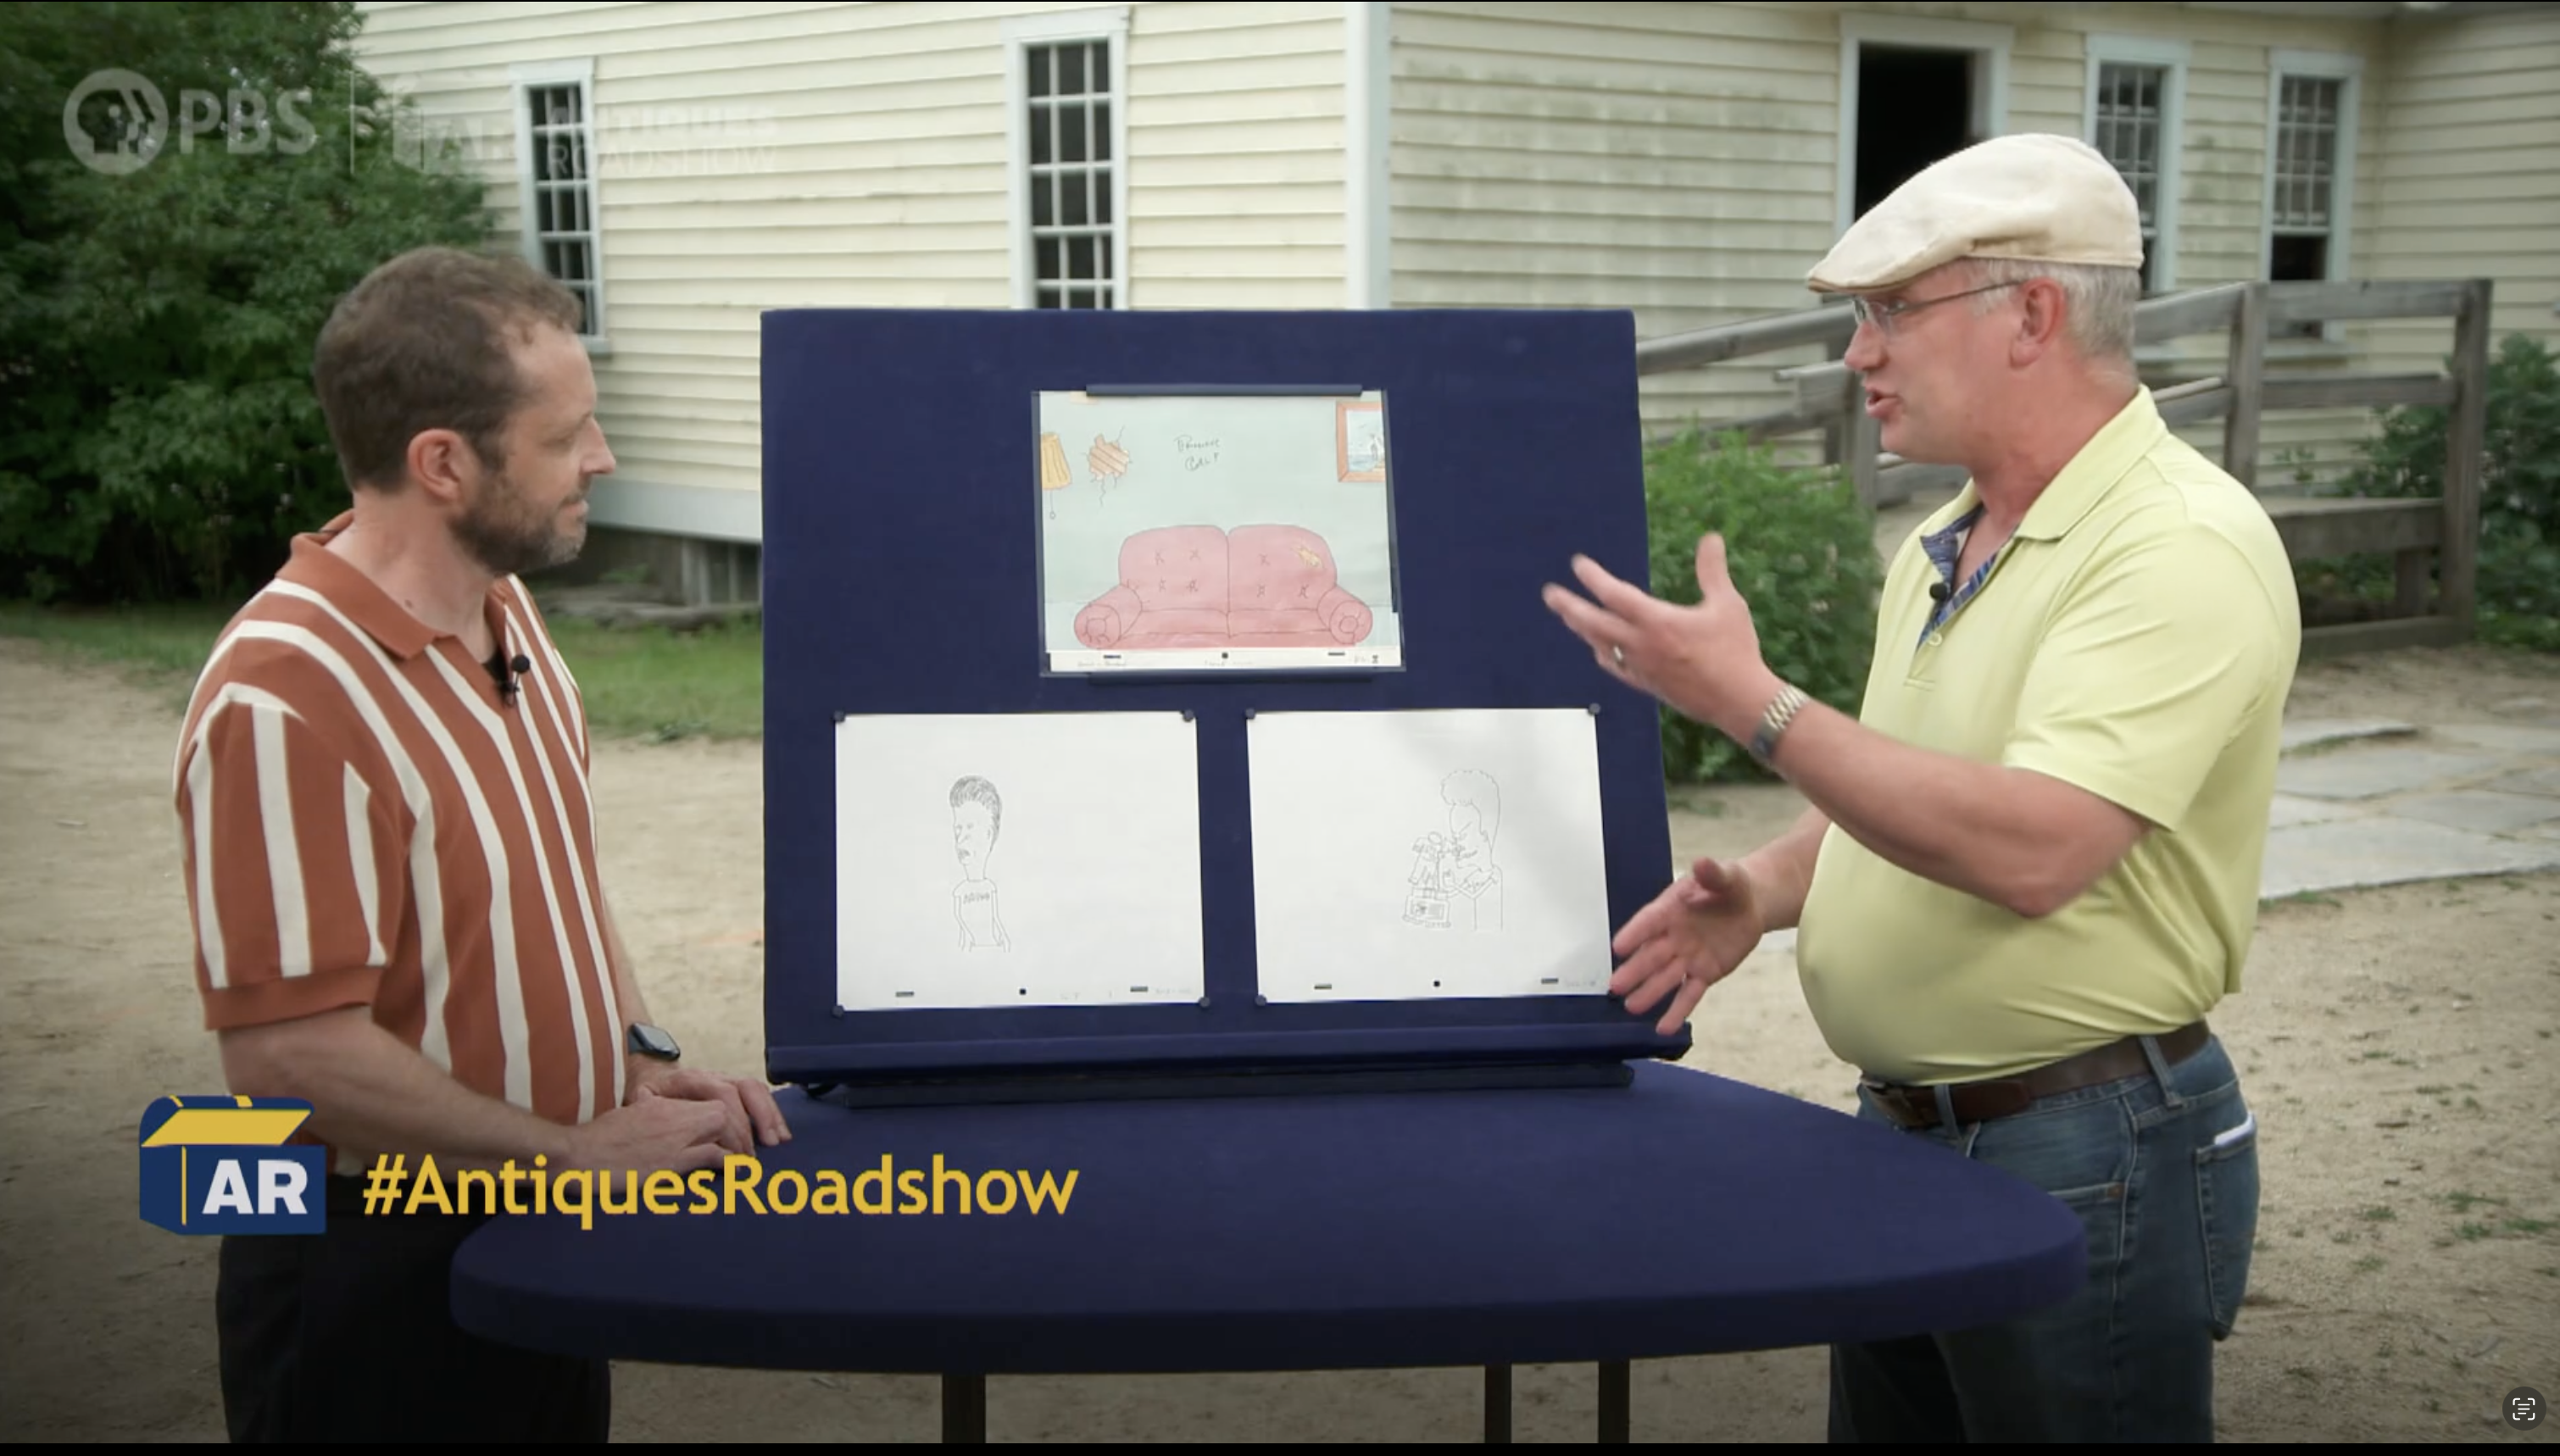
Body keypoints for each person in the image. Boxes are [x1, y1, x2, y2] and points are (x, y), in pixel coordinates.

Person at [1542, 132, 2299, 1442]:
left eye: (1892, 311)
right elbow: (1899, 789)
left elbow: (2038, 847)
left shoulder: (2179, 545)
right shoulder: (1947, 542)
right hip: (1905, 1135)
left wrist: (1752, 704)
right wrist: (1770, 888)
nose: (1859, 354)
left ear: (2036, 315)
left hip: (2086, 1147)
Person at [170, 246, 792, 1443]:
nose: (601, 461)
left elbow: (552, 877)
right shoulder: (285, 694)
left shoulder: (504, 609)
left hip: (538, 1211)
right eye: (567, 438)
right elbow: (288, 1061)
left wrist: (640, 1058)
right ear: (442, 463)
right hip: (371, 1265)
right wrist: (570, 1153)